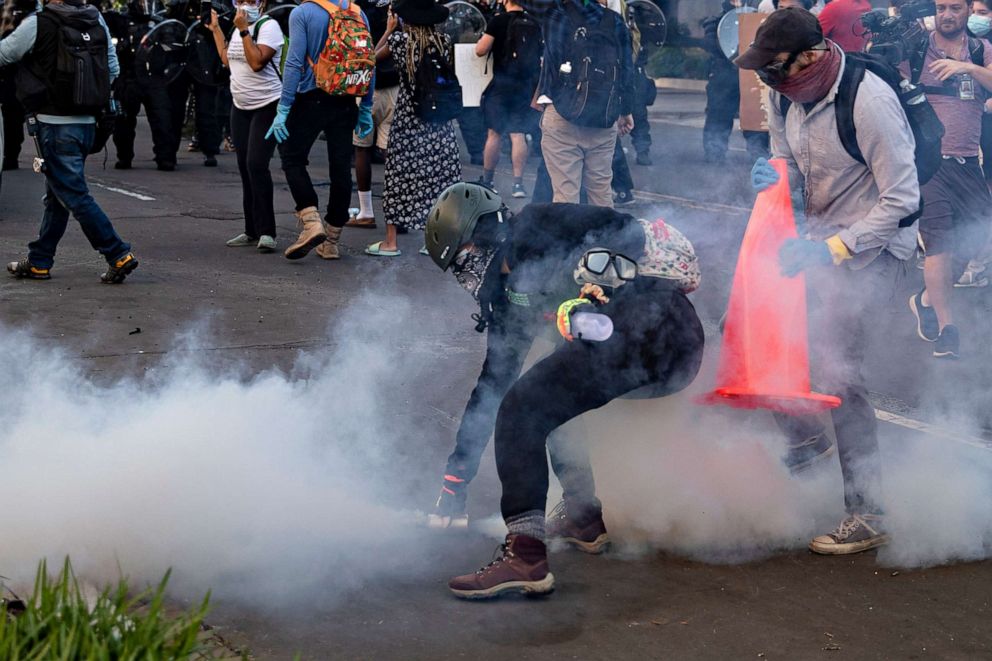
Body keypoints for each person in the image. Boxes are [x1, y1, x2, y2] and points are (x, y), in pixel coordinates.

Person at [423, 183, 704, 599]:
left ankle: (525, 556)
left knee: (524, 409)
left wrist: (598, 283)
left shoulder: (537, 223)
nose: (466, 276)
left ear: (483, 231)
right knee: (536, 404)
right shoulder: (507, 303)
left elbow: (627, 228)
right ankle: (582, 516)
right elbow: (490, 389)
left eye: (463, 257)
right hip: (635, 350)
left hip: (660, 328)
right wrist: (455, 481)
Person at [739, 8, 920, 553]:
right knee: (749, 327)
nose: (768, 83)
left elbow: (903, 199)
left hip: (875, 248)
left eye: (776, 71)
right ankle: (807, 441)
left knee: (839, 369)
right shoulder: (781, 94)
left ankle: (870, 512)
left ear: (811, 58)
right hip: (818, 239)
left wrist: (835, 249)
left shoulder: (869, 101)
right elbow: (784, 158)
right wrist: (772, 176)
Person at [1, 0, 139, 283]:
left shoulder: (40, 22)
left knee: (73, 194)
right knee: (58, 194)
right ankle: (39, 260)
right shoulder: (95, 19)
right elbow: (112, 68)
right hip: (89, 123)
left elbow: (5, 54)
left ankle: (117, 252)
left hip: (53, 124)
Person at [905, 0, 992, 358]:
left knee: (979, 233)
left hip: (969, 161)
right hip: (928, 162)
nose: (948, 14)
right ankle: (946, 330)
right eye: (942, 7)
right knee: (938, 242)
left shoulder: (980, 48)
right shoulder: (916, 46)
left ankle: (925, 299)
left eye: (955, 7)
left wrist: (966, 67)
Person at [266, 0, 376, 261]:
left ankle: (310, 219)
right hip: (346, 99)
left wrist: (283, 108)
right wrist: (366, 107)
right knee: (340, 167)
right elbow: (368, 63)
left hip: (311, 96)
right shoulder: (357, 11)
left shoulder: (302, 13)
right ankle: (332, 240)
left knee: (292, 157)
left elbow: (293, 63)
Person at [364, 0, 461, 257]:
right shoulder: (444, 42)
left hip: (409, 120)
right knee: (438, 180)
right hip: (439, 122)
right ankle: (433, 240)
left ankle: (390, 242)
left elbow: (371, 58)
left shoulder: (400, 43)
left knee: (399, 179)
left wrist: (388, 30)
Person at [522, 0, 635, 207]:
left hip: (562, 114)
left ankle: (570, 238)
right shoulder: (616, 21)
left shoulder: (555, 13)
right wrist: (625, 111)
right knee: (601, 193)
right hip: (604, 117)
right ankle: (603, 238)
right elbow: (627, 72)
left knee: (566, 196)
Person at [207, 0, 283, 252]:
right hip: (240, 107)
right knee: (243, 166)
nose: (243, 5)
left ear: (261, 3)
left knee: (256, 164)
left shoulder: (268, 26)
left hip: (267, 105)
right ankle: (251, 230)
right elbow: (227, 60)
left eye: (250, 1)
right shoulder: (237, 28)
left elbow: (256, 62)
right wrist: (216, 29)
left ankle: (267, 232)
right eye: (239, 1)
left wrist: (243, 30)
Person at [475, 0, 541, 199]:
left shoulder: (498, 21)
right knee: (518, 134)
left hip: (501, 86)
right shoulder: (534, 22)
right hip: (524, 87)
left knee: (494, 133)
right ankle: (518, 185)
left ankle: (488, 181)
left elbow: (481, 50)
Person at [348, 0, 401, 229]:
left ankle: (367, 211)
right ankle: (398, 214)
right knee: (391, 152)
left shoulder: (357, 9)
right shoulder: (397, 6)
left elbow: (364, 55)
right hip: (394, 86)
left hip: (367, 86)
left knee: (362, 148)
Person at [701, 1, 771, 164]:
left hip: (750, 73)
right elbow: (711, 44)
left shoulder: (757, 17)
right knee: (719, 113)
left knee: (755, 113)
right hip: (724, 72)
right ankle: (715, 151)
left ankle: (758, 151)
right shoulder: (717, 21)